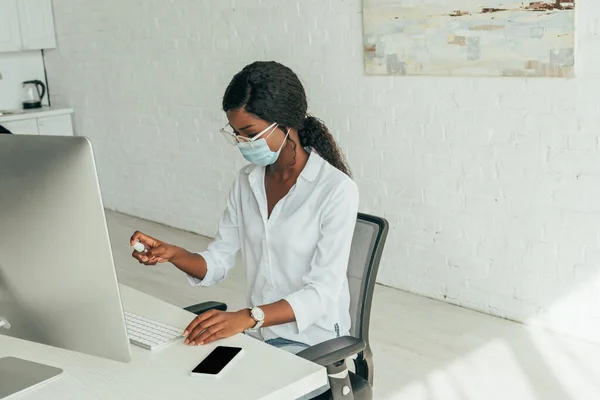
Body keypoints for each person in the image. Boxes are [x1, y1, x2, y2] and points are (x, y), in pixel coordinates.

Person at [131, 61, 359, 357]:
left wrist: (249, 316)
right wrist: (172, 254)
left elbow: (322, 294)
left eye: (250, 133)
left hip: (314, 341)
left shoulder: (336, 190)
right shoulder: (247, 181)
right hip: (260, 334)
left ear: (286, 124)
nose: (242, 143)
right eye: (236, 134)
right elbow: (218, 260)